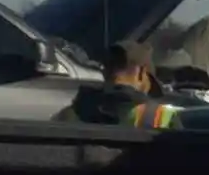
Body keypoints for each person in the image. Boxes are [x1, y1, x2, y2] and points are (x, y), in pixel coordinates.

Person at [56, 42, 184, 127]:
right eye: (150, 84)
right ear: (140, 73)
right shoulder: (161, 117)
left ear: (105, 72)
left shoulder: (69, 114)